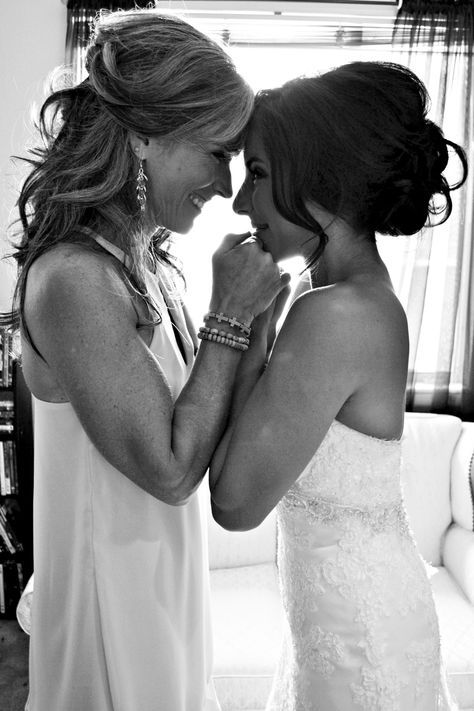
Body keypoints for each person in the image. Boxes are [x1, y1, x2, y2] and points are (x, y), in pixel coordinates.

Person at [3, 8, 288, 711]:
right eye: (217, 151)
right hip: (112, 620)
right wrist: (230, 316)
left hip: (162, 591)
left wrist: (255, 323)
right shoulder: (73, 277)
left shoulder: (149, 266)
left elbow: (204, 429)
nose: (226, 186)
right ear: (143, 137)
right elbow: (168, 469)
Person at [209, 61, 467, 710]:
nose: (241, 202)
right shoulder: (326, 293)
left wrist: (237, 316)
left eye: (259, 174)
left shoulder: (335, 313)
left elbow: (235, 500)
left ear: (321, 179)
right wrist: (261, 312)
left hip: (361, 640)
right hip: (338, 621)